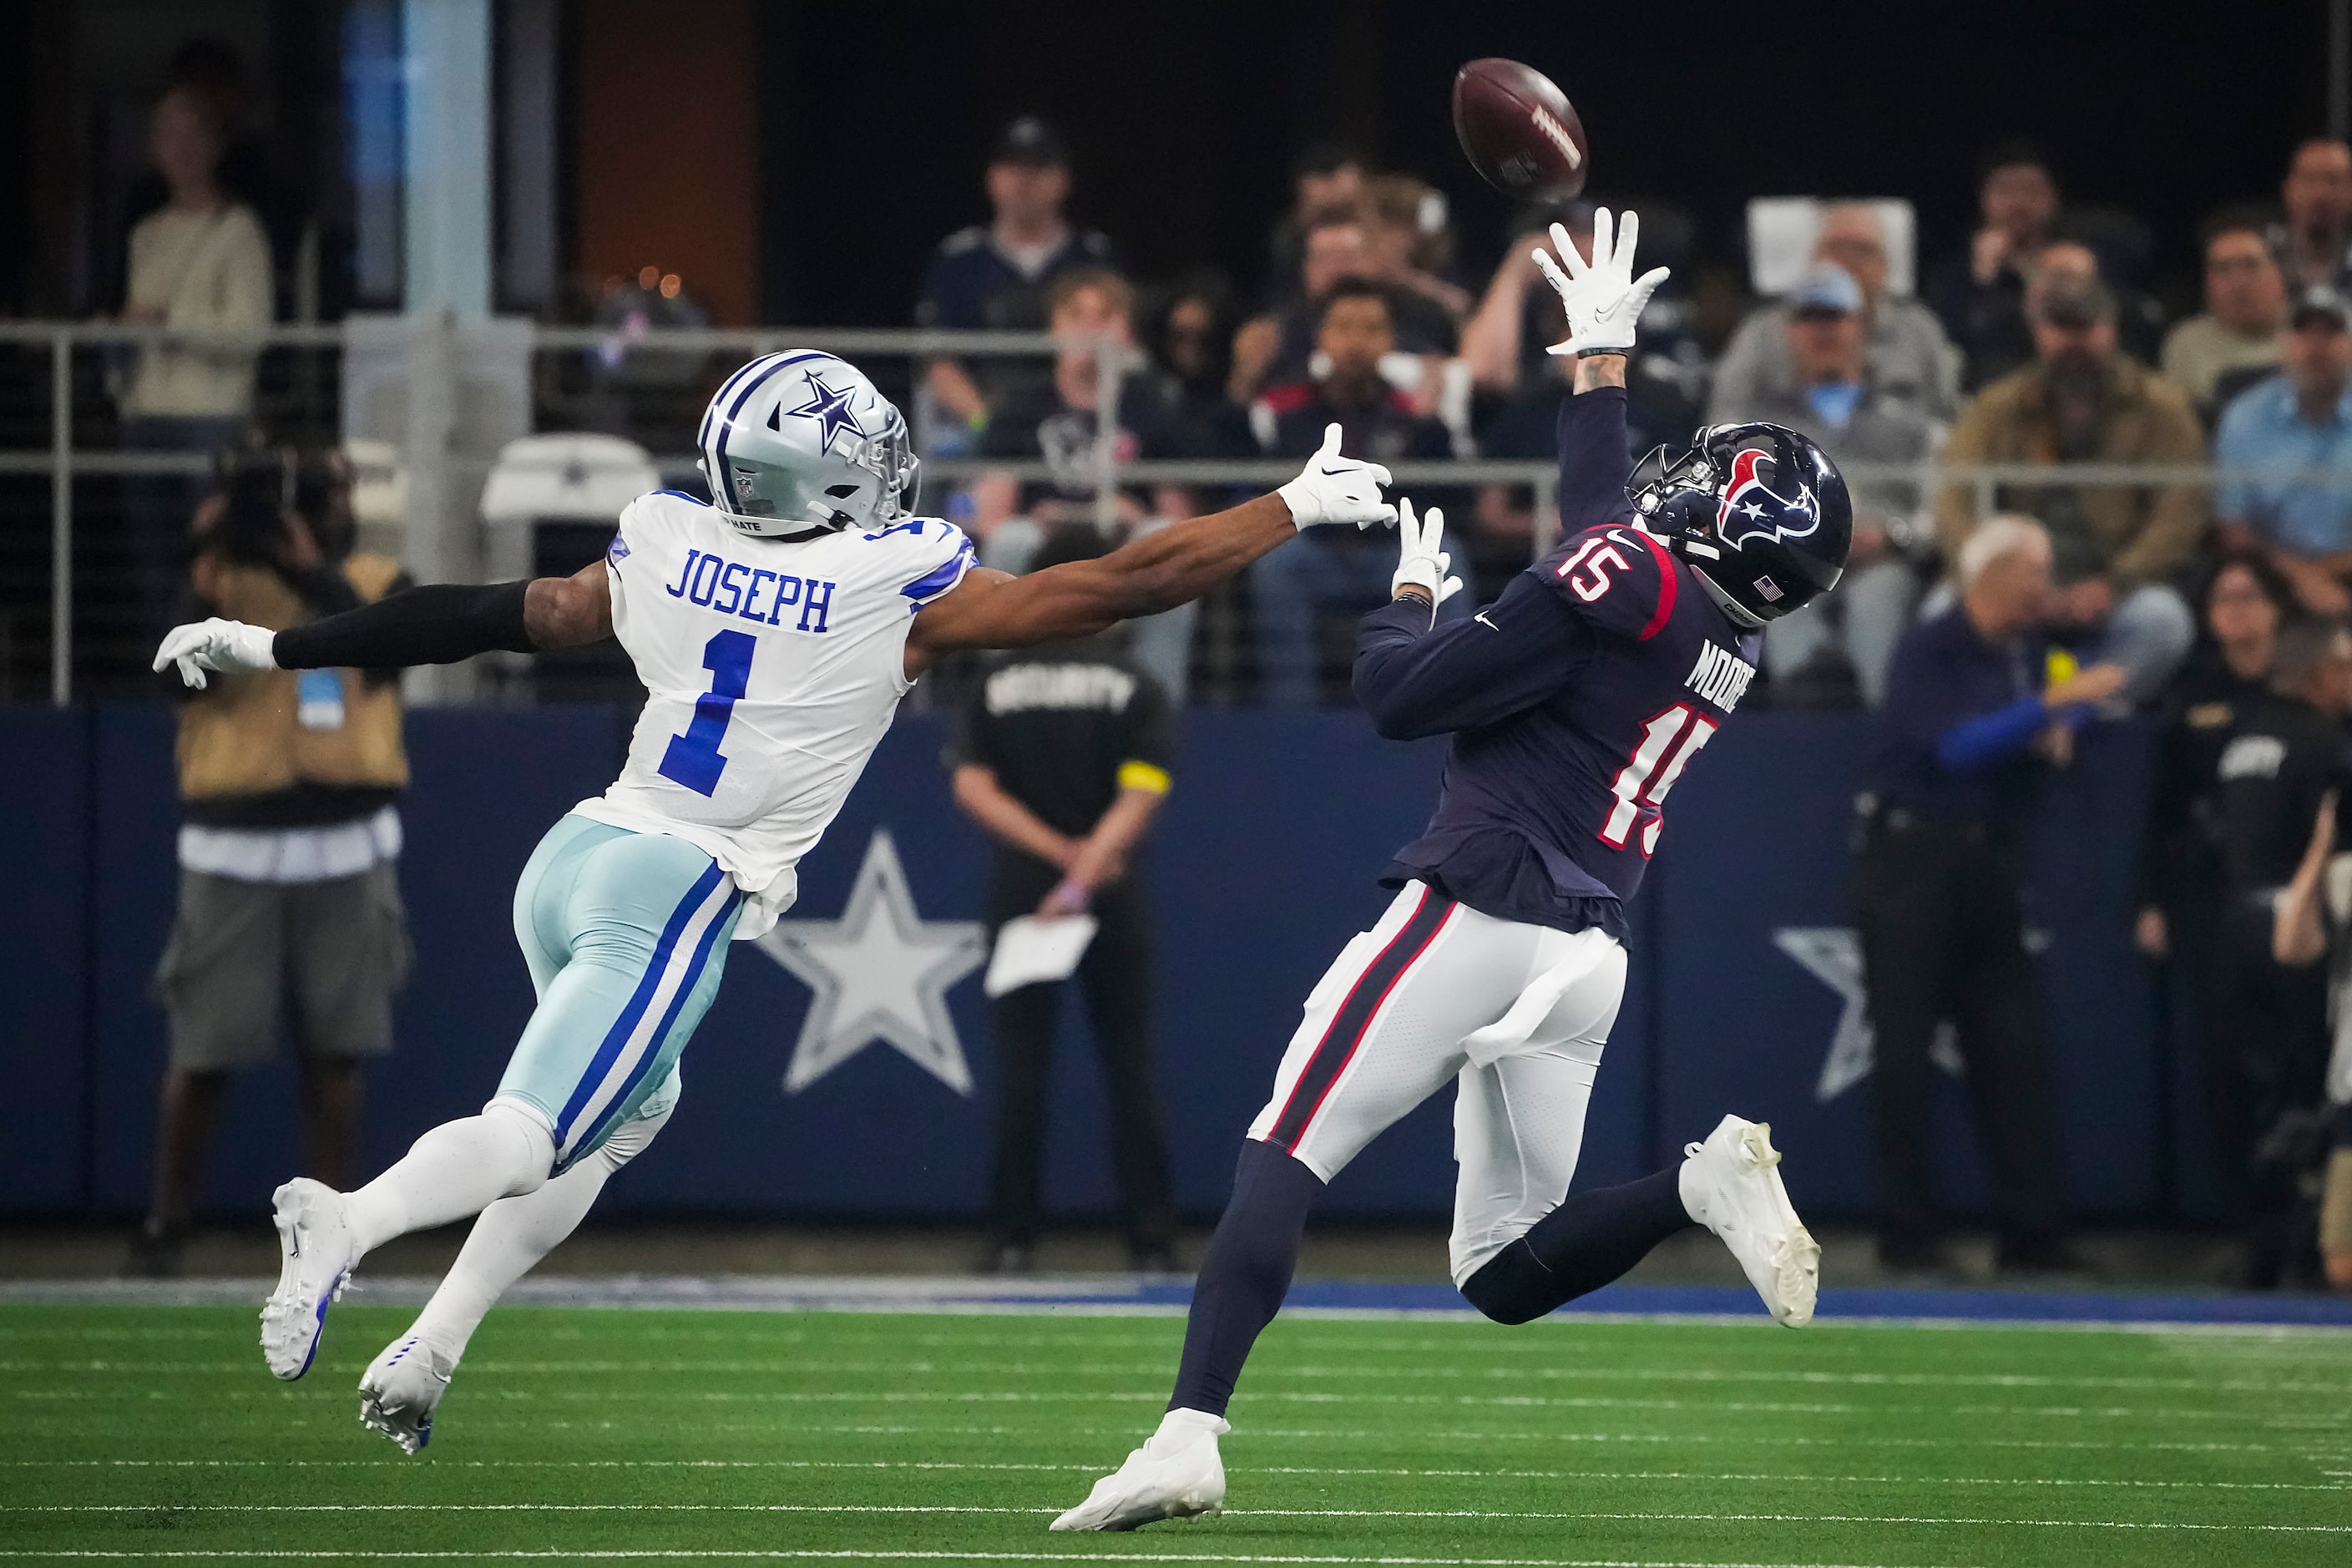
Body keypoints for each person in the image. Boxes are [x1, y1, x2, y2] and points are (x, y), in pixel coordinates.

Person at [153, 351, 1400, 1451]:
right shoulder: (895, 582)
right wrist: (1286, 504)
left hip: (578, 856)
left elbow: (485, 616)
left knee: (625, 1115)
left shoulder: (664, 538)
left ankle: (427, 1352)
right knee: (533, 1130)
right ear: (827, 482)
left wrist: (272, 647)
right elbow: (1123, 583)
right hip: (679, 882)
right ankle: (348, 1219)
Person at [1052, 209, 1848, 1532]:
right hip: (1587, 951)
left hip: (1478, 903)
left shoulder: (1630, 577)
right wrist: (1598, 363)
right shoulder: (1722, 633)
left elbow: (1401, 700)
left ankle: (1190, 1429)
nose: (1686, 476)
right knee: (1498, 1271)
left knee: (1285, 1149)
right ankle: (1696, 1185)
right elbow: (1607, 530)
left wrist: (1410, 597)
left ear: (1722, 519)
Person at [127, 448, 412, 1278]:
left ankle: (329, 1240)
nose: (311, 511)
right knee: (203, 1052)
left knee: (337, 1055)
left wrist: (309, 571)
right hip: (232, 845)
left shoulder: (376, 577)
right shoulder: (216, 583)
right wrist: (203, 563)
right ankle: (164, 1225)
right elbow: (173, 682)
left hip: (346, 844)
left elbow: (386, 655)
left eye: (320, 496)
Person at [1858, 516, 2127, 1275]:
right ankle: (1905, 1231)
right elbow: (1955, 746)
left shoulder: (2025, 651)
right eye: (2034, 574)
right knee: (1904, 1047)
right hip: (1913, 860)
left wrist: (2062, 714)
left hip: (1988, 864)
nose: (2044, 590)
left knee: (2012, 1049)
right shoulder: (1930, 646)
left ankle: (2031, 1231)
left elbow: (2070, 682)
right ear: (1995, 573)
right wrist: (2045, 710)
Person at [948, 527, 1181, 1274]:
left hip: (1025, 895)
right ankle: (1150, 1243)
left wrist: (1053, 859)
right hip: (1109, 893)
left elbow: (972, 786)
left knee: (1022, 1071)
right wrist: (1086, 868)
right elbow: (1141, 792)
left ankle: (1009, 1240)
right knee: (1130, 1067)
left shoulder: (992, 684)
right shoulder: (1137, 686)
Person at [1934, 277, 2203, 706]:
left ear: (2110, 327)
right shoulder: (1996, 406)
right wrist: (2001, 581)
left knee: (2164, 620)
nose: (2073, 340)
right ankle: (1997, 718)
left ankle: (2081, 714)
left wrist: (2114, 583)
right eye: (2060, 326)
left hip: (2115, 583)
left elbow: (2180, 512)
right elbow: (1953, 503)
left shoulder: (2160, 406)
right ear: (2039, 331)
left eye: (2086, 326)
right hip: (2013, 579)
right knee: (1940, 612)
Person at [1704, 263, 1933, 706]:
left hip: (1884, 562)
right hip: (1789, 562)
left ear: (1860, 326)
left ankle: (1881, 737)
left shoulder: (1907, 414)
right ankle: (1804, 733)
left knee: (1877, 602)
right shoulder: (1762, 423)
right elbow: (1724, 504)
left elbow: (1943, 499)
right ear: (1789, 331)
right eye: (1809, 318)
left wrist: (1894, 535)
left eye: (1834, 316)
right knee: (1779, 596)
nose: (1822, 331)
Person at [2202, 615, 2352, 1286]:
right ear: (2323, 673)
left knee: (2245, 1095)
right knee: (2301, 1093)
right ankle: (2301, 1247)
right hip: (2300, 929)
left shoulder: (2242, 733)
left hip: (2235, 926)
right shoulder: (2326, 744)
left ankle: (2254, 1240)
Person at [114, 79, 273, 644]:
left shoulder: (239, 231)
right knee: (156, 565)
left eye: (193, 136)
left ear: (215, 146)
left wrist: (170, 326)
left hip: (211, 419)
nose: (180, 149)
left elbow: (250, 333)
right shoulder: (146, 235)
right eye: (167, 136)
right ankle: (173, 683)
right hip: (146, 417)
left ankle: (220, 683)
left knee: (214, 560)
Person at [1247, 279, 1457, 705]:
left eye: (1371, 328)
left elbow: (1450, 495)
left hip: (1391, 555)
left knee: (1452, 561)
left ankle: (1446, 709)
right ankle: (1293, 717)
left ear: (1391, 340)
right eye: (1343, 327)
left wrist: (1428, 427)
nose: (1356, 342)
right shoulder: (1283, 413)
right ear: (1321, 336)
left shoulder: (1415, 416)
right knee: (1276, 565)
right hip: (1312, 554)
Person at [2136, 555, 2295, 1095]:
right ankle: (2236, 1177)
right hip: (2211, 883)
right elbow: (2164, 803)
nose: (2235, 611)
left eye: (2248, 596)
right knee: (2222, 1044)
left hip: (2294, 876)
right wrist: (2151, 899)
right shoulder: (2193, 690)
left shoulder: (2305, 684)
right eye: (2222, 599)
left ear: (2277, 609)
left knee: (2298, 1036)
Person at [916, 117, 1121, 452]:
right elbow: (939, 363)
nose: (1024, 181)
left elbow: (1120, 349)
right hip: (982, 420)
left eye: (1038, 168)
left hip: (1078, 422)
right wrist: (991, 426)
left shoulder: (1094, 257)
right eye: (1012, 167)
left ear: (1063, 179)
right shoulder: (958, 260)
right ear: (992, 177)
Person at [1709, 203, 1959, 423]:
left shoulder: (1920, 331)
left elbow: (1949, 423)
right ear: (1814, 258)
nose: (1848, 260)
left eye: (1862, 249)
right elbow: (1725, 419)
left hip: (1897, 468)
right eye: (1836, 248)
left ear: (1884, 266)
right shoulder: (1761, 333)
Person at [2214, 286, 2352, 616]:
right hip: (2272, 573)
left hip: (2346, 569)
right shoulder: (2243, 417)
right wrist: (2301, 575)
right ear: (2283, 344)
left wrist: (2323, 575)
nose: (2316, 347)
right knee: (2235, 585)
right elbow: (2234, 528)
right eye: (2303, 333)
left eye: (2331, 334)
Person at [1925, 142, 2061, 390]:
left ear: (2053, 198)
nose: (2019, 203)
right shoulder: (1951, 276)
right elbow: (1946, 350)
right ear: (1983, 199)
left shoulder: (2075, 267)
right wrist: (1982, 280)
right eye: (2005, 191)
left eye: (2031, 190)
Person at [2162, 215, 2288, 425]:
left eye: (2251, 265)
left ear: (2280, 273)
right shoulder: (2185, 344)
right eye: (2222, 269)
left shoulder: (2318, 330)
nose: (2238, 283)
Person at [2273, 137, 2352, 294]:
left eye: (2333, 181)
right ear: (2288, 188)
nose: (2321, 195)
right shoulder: (2261, 257)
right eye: (2310, 179)